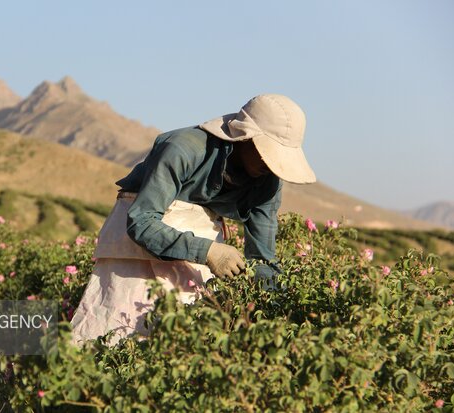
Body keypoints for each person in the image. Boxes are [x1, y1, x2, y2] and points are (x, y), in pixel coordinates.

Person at [70, 94, 316, 347]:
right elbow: (142, 221)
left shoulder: (268, 183)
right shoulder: (183, 149)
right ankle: (33, 359)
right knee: (116, 332)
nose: (270, 165)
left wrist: (281, 314)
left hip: (197, 258)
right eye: (266, 153)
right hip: (134, 252)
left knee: (180, 342)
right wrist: (209, 251)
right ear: (245, 138)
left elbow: (263, 259)